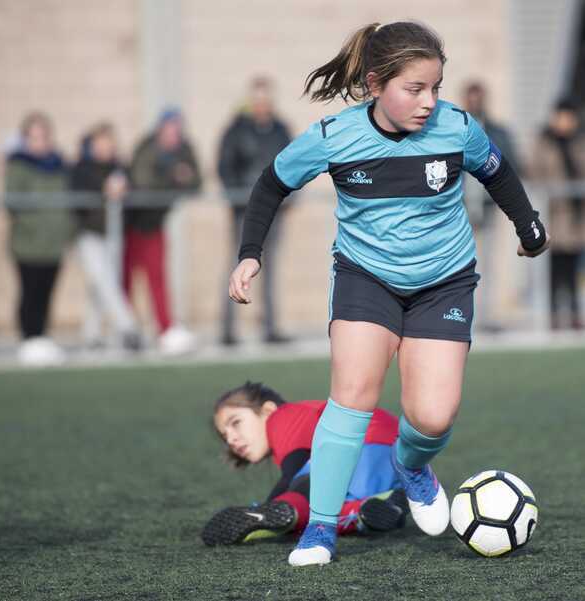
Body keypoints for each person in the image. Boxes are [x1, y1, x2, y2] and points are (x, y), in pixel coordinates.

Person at [228, 21, 549, 567]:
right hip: (366, 277)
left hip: (443, 281)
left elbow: (497, 172)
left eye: (435, 87)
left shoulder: (457, 127)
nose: (429, 102)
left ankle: (411, 465)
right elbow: (271, 184)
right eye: (415, 89)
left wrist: (529, 225)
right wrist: (250, 252)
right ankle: (320, 529)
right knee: (352, 396)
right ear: (375, 84)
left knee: (433, 417)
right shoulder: (334, 136)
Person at [203, 381, 408, 546]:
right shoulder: (301, 423)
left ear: (267, 410)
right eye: (224, 436)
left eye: (236, 423)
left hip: (365, 445)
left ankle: (272, 515)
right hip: (399, 462)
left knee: (303, 494)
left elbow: (293, 475)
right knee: (325, 512)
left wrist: (272, 507)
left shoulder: (282, 416)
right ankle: (367, 510)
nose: (231, 439)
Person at [218, 77, 293, 346]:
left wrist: (288, 197)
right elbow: (225, 166)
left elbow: (292, 164)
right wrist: (238, 196)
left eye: (265, 99)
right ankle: (228, 329)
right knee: (239, 264)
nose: (261, 104)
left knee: (270, 268)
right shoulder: (237, 130)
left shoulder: (280, 130)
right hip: (245, 210)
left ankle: (270, 326)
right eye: (257, 99)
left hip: (275, 211)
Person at [5, 112, 75, 366]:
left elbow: (68, 200)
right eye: (34, 137)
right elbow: (13, 202)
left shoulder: (60, 165)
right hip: (28, 243)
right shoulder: (18, 165)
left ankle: (42, 338)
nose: (40, 142)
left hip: (54, 243)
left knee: (47, 293)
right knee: (30, 292)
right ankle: (29, 338)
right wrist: (35, 225)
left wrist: (66, 230)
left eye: (43, 136)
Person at [128, 108, 201, 354]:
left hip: (155, 224)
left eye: (177, 130)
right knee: (124, 281)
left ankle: (165, 329)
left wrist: (184, 178)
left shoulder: (183, 149)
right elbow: (143, 183)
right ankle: (126, 330)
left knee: (158, 278)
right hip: (130, 223)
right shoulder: (147, 148)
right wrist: (173, 177)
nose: (174, 135)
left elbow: (196, 181)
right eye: (170, 129)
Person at [70, 122, 142, 350]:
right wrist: (104, 188)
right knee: (103, 280)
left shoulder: (119, 168)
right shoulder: (82, 168)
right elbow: (81, 192)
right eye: (101, 142)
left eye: (109, 141)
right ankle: (128, 326)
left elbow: (132, 189)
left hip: (114, 234)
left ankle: (91, 334)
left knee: (100, 285)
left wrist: (124, 188)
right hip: (89, 234)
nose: (106, 146)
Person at [461, 82, 522, 332]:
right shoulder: (455, 131)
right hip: (460, 209)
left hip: (487, 207)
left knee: (489, 263)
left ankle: (487, 316)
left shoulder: (497, 132)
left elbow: (511, 166)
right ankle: (465, 316)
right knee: (463, 264)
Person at [529, 99, 585, 330]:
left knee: (573, 267)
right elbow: (534, 172)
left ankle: (574, 313)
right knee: (553, 269)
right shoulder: (544, 143)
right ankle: (552, 315)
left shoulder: (579, 142)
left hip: (576, 217)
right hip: (552, 215)